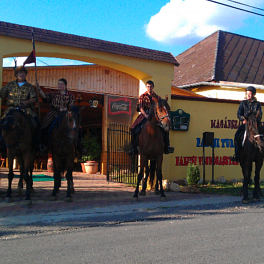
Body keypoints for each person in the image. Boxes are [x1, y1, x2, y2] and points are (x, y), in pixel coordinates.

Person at [38, 78, 86, 155]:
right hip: (54, 112)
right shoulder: (53, 94)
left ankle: (79, 146)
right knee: (44, 125)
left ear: (65, 85)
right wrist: (39, 89)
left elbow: (72, 105)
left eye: (61, 84)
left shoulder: (70, 95)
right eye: (59, 84)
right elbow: (45, 98)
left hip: (67, 114)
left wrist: (65, 109)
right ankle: (43, 145)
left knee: (76, 126)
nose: (60, 86)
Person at [0, 66, 39, 153]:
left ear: (26, 75)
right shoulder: (10, 85)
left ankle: (37, 144)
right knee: (2, 123)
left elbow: (34, 98)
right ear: (16, 74)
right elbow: (2, 94)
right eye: (20, 73)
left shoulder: (29, 87)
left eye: (24, 73)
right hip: (11, 109)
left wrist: (26, 102)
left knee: (37, 123)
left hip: (25, 109)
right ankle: (2, 144)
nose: (22, 74)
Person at [129, 80, 174, 156]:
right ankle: (134, 148)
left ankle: (167, 147)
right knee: (134, 128)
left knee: (165, 129)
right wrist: (145, 115)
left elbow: (162, 105)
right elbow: (140, 108)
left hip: (155, 116)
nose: (149, 88)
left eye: (151, 87)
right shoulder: (142, 96)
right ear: (146, 87)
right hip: (144, 115)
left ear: (153, 87)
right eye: (148, 87)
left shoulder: (157, 97)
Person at [230, 86, 262, 162]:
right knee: (237, 135)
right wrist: (243, 119)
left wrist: (256, 120)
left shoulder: (257, 104)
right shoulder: (243, 103)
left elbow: (260, 114)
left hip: (255, 124)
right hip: (246, 123)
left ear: (253, 94)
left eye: (250, 94)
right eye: (247, 94)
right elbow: (239, 113)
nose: (248, 95)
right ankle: (237, 154)